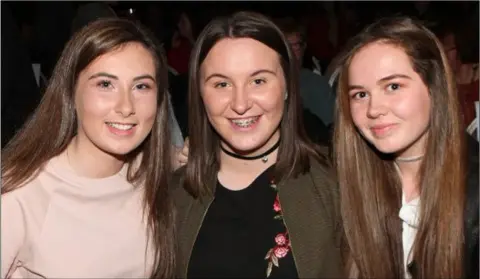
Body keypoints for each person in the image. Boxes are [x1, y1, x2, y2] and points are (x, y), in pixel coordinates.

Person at [170, 11, 345, 278]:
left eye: (258, 80)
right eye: (221, 83)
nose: (240, 104)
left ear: (287, 85)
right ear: (200, 93)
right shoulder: (174, 196)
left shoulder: (336, 185)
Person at [1, 18, 174, 278]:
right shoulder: (20, 194)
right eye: (105, 84)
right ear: (71, 91)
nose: (126, 106)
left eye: (141, 86)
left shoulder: (155, 175)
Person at [333, 17, 478, 278]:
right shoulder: (340, 184)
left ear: (435, 87)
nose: (374, 109)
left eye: (393, 86)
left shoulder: (473, 190)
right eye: (360, 94)